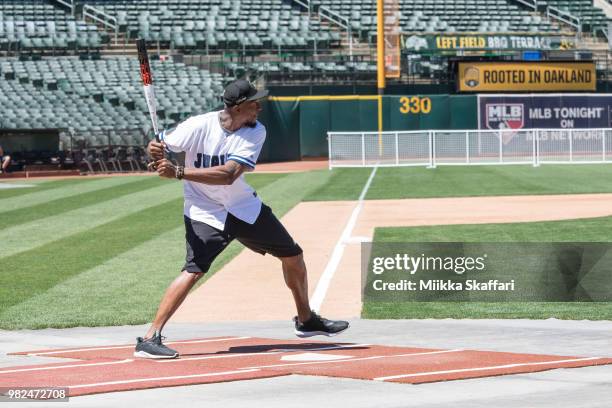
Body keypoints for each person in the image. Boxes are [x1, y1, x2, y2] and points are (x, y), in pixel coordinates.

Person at [135, 79, 349, 359]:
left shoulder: (255, 131)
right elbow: (159, 145)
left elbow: (228, 175)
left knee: (294, 256)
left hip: (243, 206)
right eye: (253, 103)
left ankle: (306, 319)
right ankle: (150, 338)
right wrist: (154, 150)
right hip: (204, 209)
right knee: (194, 268)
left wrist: (177, 172)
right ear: (237, 107)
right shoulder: (198, 125)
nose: (259, 107)